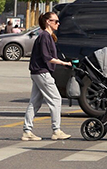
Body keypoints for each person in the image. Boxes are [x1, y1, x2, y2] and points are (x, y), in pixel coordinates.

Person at [22, 12, 71, 141]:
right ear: (48, 22)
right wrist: (63, 63)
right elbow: (47, 58)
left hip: (37, 72)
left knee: (35, 102)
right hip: (42, 72)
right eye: (55, 21)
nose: (58, 23)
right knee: (56, 99)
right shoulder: (44, 36)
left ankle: (27, 131)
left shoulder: (47, 36)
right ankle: (56, 130)